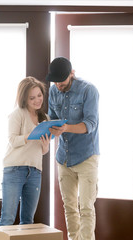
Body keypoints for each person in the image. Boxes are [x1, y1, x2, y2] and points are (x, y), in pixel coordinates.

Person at [46, 57, 100, 240]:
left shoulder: (88, 90)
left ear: (72, 74)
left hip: (86, 157)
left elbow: (90, 124)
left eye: (62, 81)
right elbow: (52, 119)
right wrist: (48, 130)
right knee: (69, 208)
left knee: (86, 207)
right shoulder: (53, 91)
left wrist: (66, 128)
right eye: (55, 81)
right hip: (63, 158)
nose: (58, 85)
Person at [0, 76, 51, 226]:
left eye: (39, 95)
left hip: (35, 172)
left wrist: (45, 146)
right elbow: (13, 140)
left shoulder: (45, 118)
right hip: (14, 169)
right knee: (7, 218)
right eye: (32, 98)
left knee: (28, 221)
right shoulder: (17, 114)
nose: (37, 100)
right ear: (24, 99)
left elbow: (41, 151)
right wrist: (30, 135)